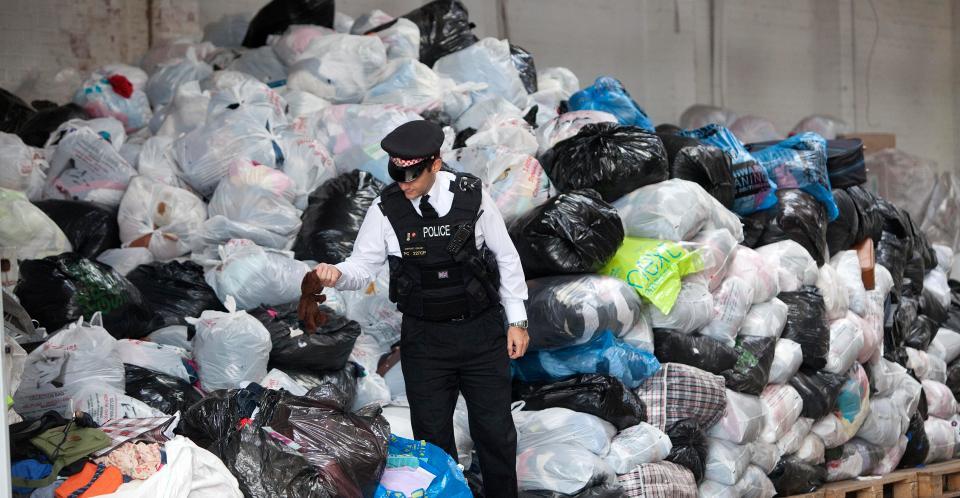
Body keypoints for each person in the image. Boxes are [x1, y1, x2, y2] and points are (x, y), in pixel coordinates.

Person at [309, 120, 529, 497]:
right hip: (425, 339)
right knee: (431, 439)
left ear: (436, 165)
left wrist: (518, 320)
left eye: (414, 175)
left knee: (495, 433)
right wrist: (335, 274)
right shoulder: (386, 208)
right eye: (399, 174)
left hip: (481, 332)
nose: (405, 183)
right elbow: (362, 268)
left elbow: (506, 258)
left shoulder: (472, 198)